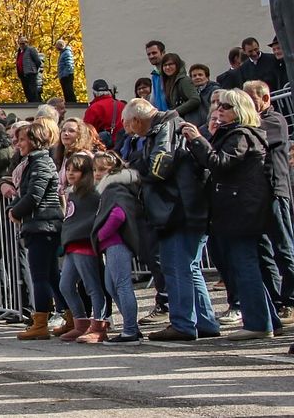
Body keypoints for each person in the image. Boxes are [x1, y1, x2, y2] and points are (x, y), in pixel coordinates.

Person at [182, 89, 280, 339]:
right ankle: (267, 320)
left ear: (239, 110)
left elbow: (219, 164)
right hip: (241, 210)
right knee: (247, 265)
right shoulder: (236, 134)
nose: (219, 109)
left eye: (226, 106)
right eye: (219, 105)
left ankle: (258, 323)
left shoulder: (241, 135)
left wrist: (197, 140)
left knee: (244, 266)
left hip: (241, 212)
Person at [121, 99, 218, 341]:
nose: (133, 132)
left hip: (177, 209)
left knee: (177, 268)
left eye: (131, 127)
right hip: (184, 207)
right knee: (190, 268)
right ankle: (204, 322)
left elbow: (158, 167)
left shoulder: (166, 129)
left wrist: (133, 169)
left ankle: (183, 323)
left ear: (137, 120)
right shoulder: (168, 127)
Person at [242, 81, 294, 325]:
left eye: (251, 99)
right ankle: (277, 301)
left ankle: (291, 300)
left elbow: (258, 139)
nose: (248, 104)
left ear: (265, 99)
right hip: (255, 197)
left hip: (275, 191)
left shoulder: (274, 120)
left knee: (284, 249)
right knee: (264, 253)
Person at [6, 121, 64, 340]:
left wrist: (15, 212)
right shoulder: (33, 162)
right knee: (50, 276)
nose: (18, 143)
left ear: (34, 140)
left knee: (40, 276)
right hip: (39, 224)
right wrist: (13, 208)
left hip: (43, 224)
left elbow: (33, 196)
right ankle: (67, 316)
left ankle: (40, 322)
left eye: (22, 139)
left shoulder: (41, 163)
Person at [91, 150, 144, 343]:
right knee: (111, 285)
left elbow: (119, 215)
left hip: (117, 242)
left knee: (121, 285)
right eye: (95, 169)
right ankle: (131, 327)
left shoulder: (116, 188)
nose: (97, 174)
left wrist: (100, 234)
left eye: (102, 170)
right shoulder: (109, 188)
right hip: (111, 243)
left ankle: (130, 329)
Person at [57, 152, 109, 343]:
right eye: (68, 169)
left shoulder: (94, 191)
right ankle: (81, 323)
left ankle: (100, 325)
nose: (70, 173)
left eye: (76, 170)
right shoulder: (73, 191)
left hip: (86, 243)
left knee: (92, 286)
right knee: (66, 285)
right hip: (72, 243)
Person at [84, 79, 126, 147]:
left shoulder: (93, 108)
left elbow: (87, 131)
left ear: (94, 93)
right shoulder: (122, 105)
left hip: (103, 148)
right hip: (123, 146)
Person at [159, 53, 200, 120]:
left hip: (189, 120)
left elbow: (195, 100)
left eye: (170, 64)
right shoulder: (167, 82)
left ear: (177, 65)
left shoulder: (184, 80)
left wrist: (176, 111)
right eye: (165, 65)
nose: (167, 67)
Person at [16, 36, 43, 103]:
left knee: (33, 92)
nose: (22, 45)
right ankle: (30, 104)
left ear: (27, 43)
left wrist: (33, 70)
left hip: (30, 74)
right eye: (20, 43)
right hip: (22, 75)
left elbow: (38, 61)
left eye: (23, 43)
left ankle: (35, 104)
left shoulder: (31, 50)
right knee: (27, 92)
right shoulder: (19, 52)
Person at [145, 40, 168, 110]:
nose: (151, 56)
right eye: (148, 54)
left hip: (174, 116)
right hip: (163, 117)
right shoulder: (154, 75)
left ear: (163, 53)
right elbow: (154, 100)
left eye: (154, 53)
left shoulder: (171, 72)